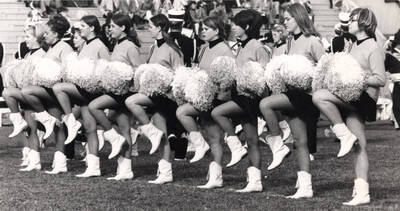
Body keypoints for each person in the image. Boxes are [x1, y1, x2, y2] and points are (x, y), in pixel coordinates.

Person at [313, 8, 386, 206]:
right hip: (352, 96)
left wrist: (355, 79)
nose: (349, 23)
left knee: (319, 96)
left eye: (353, 19)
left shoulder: (373, 46)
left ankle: (342, 134)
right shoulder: (353, 45)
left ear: (363, 22)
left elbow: (380, 79)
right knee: (359, 145)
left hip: (364, 99)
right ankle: (362, 191)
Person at [259, 3, 324, 199]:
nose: (284, 22)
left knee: (266, 104)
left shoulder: (313, 41)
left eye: (288, 19)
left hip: (307, 96)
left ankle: (277, 144)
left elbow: (324, 68)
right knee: (300, 142)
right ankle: (305, 187)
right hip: (293, 94)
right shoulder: (289, 42)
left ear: (299, 18)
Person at [211, 9, 270, 192]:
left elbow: (266, 74)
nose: (233, 27)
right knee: (252, 139)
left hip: (250, 98)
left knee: (217, 112)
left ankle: (235, 144)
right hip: (239, 95)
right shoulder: (241, 46)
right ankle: (255, 181)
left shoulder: (257, 47)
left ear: (246, 26)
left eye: (237, 24)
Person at [176, 16, 234, 189]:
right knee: (214, 137)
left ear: (217, 31)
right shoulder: (202, 48)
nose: (203, 31)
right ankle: (215, 175)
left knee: (183, 113)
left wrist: (217, 94)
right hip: (203, 98)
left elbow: (228, 77)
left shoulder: (225, 50)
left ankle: (209, 163)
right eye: (202, 28)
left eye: (207, 28)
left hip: (217, 99)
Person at [124, 14, 183, 184]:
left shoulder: (173, 48)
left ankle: (148, 131)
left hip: (167, 97)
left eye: (150, 26)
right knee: (161, 134)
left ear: (159, 28)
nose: (148, 29)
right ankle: (165, 171)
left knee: (131, 101)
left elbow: (179, 74)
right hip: (155, 95)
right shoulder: (152, 48)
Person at [51, 15, 110, 177]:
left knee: (59, 88)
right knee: (90, 129)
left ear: (92, 28)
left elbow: (107, 69)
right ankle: (93, 167)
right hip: (83, 92)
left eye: (83, 25)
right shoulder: (85, 46)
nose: (80, 28)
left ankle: (71, 121)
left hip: (92, 91)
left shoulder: (99, 45)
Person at [88, 13, 142, 180]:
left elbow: (139, 70)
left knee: (94, 106)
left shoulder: (130, 46)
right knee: (124, 128)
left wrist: (127, 83)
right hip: (116, 91)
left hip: (125, 93)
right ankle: (125, 169)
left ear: (123, 27)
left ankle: (112, 137)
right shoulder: (117, 44)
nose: (109, 29)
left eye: (112, 26)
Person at [21, 14, 73, 174]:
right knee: (55, 126)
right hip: (47, 92)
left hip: (57, 92)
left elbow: (68, 73)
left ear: (56, 34)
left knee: (58, 127)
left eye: (48, 32)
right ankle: (43, 161)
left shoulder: (66, 48)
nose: (45, 35)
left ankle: (61, 163)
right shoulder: (50, 48)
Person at [2, 23, 46, 171]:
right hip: (25, 95)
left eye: (28, 36)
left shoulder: (41, 54)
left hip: (34, 96)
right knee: (30, 129)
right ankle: (33, 160)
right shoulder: (28, 54)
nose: (25, 40)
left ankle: (35, 160)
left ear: (37, 37)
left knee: (32, 128)